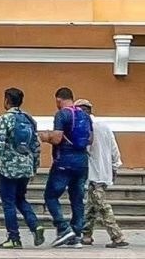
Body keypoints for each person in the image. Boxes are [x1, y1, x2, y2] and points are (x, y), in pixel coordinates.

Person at [0, 87, 44, 249]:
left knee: (8, 203)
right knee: (20, 198)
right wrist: (34, 167)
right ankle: (35, 225)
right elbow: (36, 145)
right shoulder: (28, 119)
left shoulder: (6, 119)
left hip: (8, 169)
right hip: (26, 167)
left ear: (7, 100)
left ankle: (14, 237)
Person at [39, 86, 93, 247]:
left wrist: (45, 137)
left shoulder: (62, 114)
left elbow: (56, 139)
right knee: (77, 198)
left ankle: (63, 228)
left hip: (64, 161)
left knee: (50, 195)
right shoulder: (84, 115)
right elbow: (90, 139)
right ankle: (76, 235)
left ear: (58, 99)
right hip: (82, 161)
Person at [77, 98, 128, 248]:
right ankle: (86, 235)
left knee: (102, 205)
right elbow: (114, 148)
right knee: (92, 205)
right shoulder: (104, 126)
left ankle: (117, 236)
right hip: (104, 172)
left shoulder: (84, 128)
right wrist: (115, 166)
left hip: (93, 173)